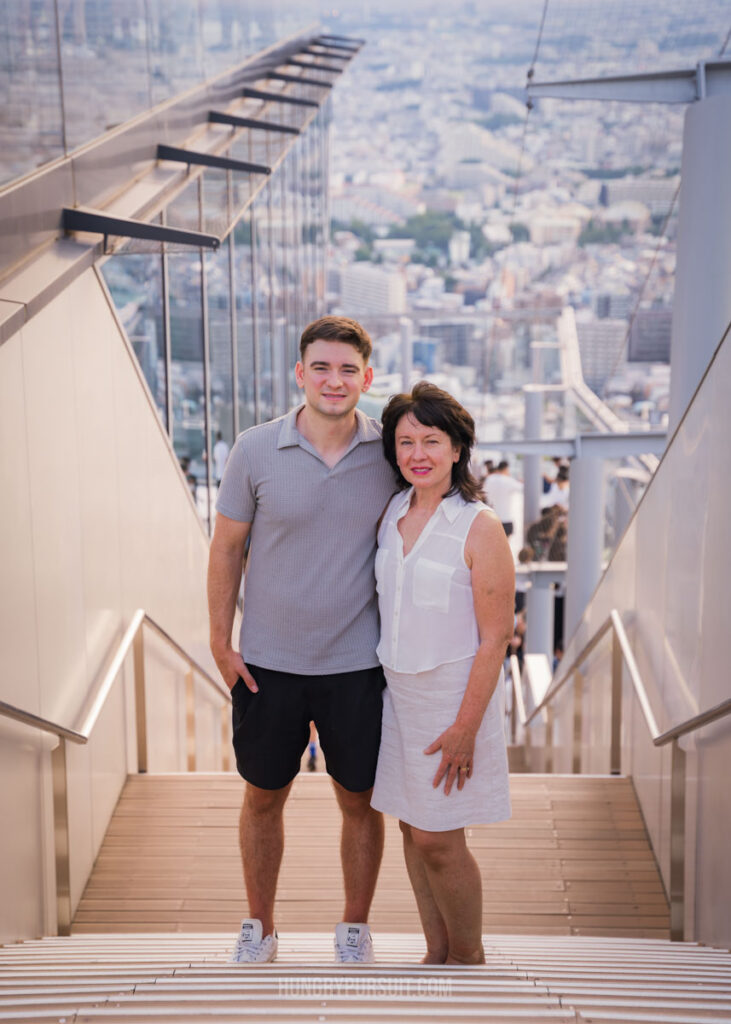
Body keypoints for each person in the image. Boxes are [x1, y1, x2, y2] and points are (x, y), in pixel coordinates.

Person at [207, 316, 397, 964]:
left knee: (360, 801)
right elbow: (226, 547)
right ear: (300, 374)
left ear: (367, 378)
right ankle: (259, 927)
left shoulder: (392, 453)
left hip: (357, 664)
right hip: (267, 663)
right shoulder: (255, 449)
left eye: (347, 369)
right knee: (262, 797)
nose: (333, 380)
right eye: (321, 367)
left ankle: (354, 927)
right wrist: (219, 642)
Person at [371, 382, 515, 965]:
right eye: (406, 442)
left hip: (454, 697)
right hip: (397, 696)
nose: (417, 454)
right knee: (411, 828)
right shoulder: (392, 511)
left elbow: (495, 637)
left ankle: (470, 958)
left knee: (438, 837)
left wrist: (465, 727)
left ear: (458, 449)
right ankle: (437, 954)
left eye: (432, 440)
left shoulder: (479, 526)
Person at [484, 460, 523, 537]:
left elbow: (484, 493)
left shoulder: (489, 479)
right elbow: (523, 488)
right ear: (506, 469)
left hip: (492, 518)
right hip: (506, 518)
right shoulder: (509, 480)